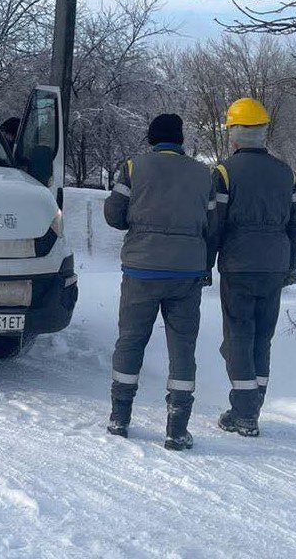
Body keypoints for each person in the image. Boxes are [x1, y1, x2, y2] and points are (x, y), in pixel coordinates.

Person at [103, 113, 216, 450]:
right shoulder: (203, 174)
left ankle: (119, 418)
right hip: (186, 273)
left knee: (131, 340)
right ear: (180, 140)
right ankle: (177, 430)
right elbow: (213, 224)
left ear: (151, 139)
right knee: (182, 347)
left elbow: (113, 215)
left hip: (141, 270)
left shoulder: (134, 167)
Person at [209, 98, 296, 437]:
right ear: (263, 131)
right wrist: (290, 265)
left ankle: (245, 413)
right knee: (262, 338)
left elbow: (215, 225)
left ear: (234, 133)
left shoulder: (224, 173)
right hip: (275, 265)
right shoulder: (287, 173)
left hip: (238, 266)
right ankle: (252, 405)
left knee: (238, 337)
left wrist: (205, 265)